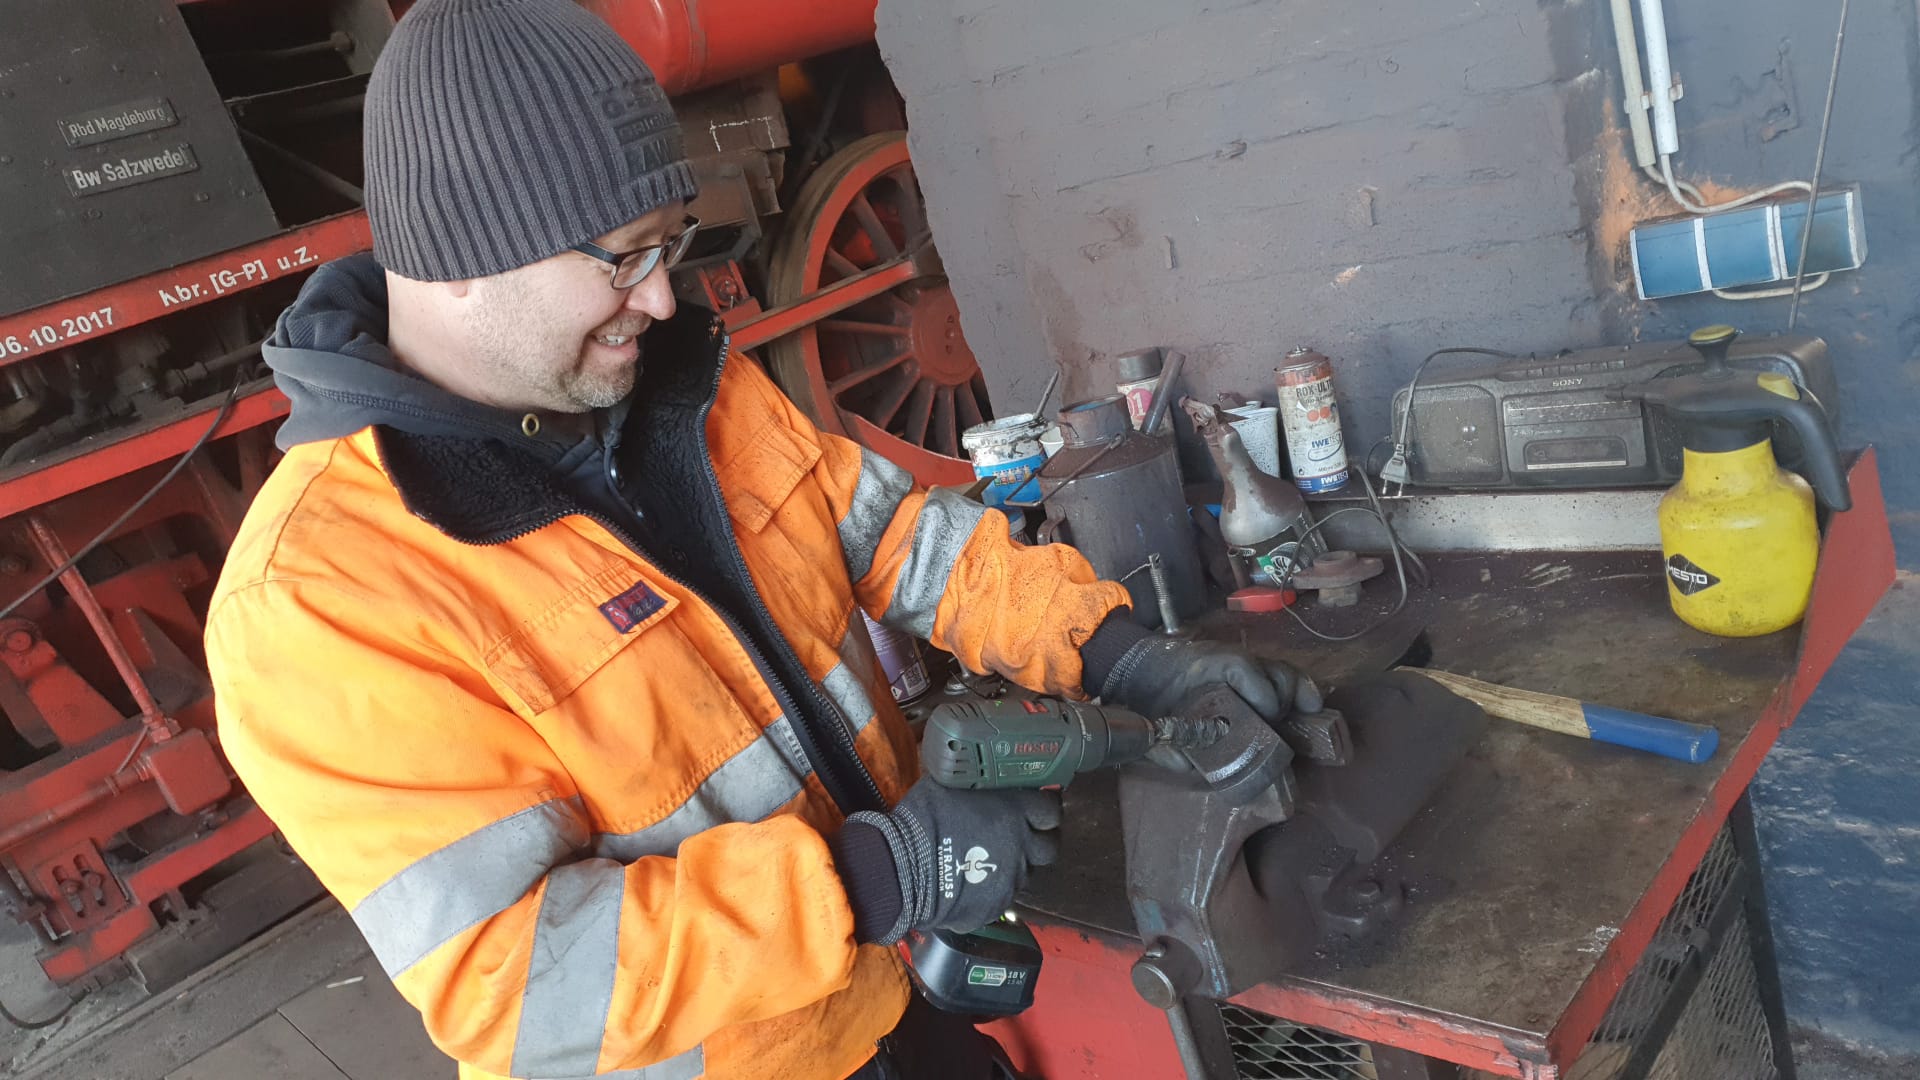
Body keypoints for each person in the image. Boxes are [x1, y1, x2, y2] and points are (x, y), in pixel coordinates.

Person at [203, 1, 1317, 1077]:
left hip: (893, 1008)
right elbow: (514, 984)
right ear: (467, 251)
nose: (663, 300)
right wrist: (867, 878)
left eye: (669, 245)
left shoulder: (682, 393)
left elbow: (900, 541)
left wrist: (1118, 654)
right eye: (624, 257)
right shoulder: (316, 604)